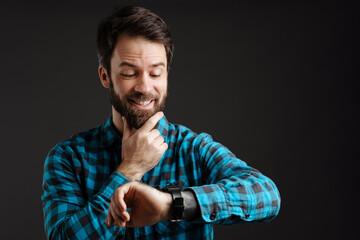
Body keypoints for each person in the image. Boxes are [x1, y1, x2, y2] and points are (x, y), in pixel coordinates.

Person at [41, 5, 280, 240]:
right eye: (129, 73)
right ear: (106, 76)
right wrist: (130, 169)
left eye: (155, 73)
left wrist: (172, 204)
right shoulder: (68, 158)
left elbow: (266, 195)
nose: (144, 87)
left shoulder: (193, 149)